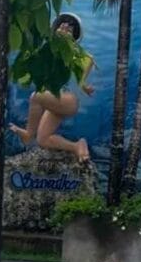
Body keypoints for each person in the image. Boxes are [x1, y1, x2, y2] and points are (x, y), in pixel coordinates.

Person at [9, 13, 95, 163]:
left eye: (69, 29)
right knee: (44, 139)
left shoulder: (79, 56)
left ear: (74, 35)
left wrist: (85, 87)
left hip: (68, 100)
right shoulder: (48, 53)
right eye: (62, 26)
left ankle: (29, 133)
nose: (65, 28)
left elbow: (83, 73)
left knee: (36, 96)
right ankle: (77, 146)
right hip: (54, 101)